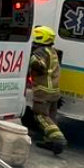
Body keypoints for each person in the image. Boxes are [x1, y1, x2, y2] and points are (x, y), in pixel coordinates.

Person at [29, 26, 66, 155]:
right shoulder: (52, 51)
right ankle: (49, 140)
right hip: (54, 91)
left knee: (41, 116)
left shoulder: (41, 52)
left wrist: (31, 58)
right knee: (51, 117)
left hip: (43, 91)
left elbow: (39, 65)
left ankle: (58, 140)